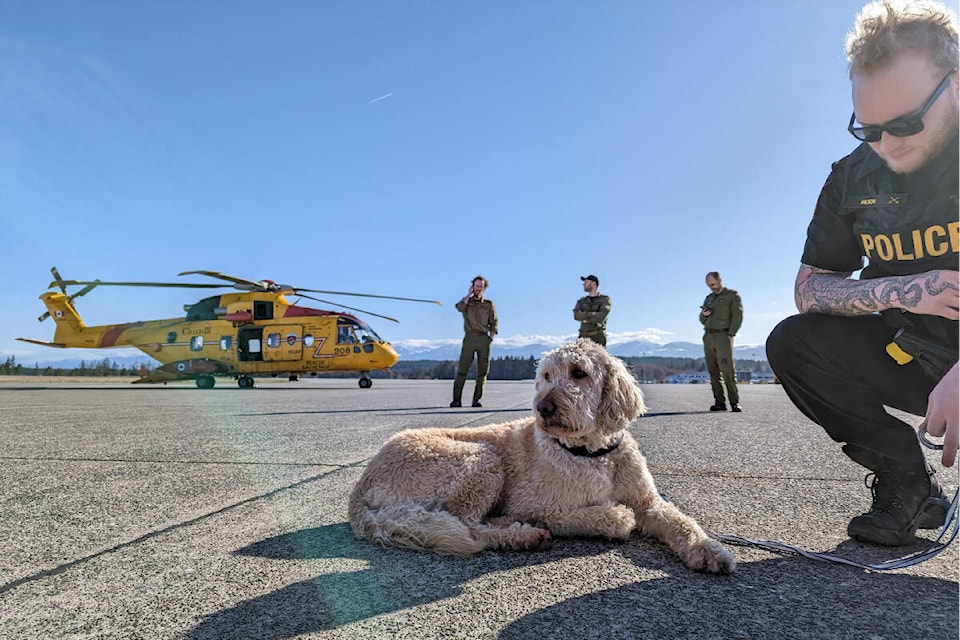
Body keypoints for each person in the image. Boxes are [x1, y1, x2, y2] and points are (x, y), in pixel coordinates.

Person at [766, 0, 958, 547]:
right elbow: (808, 289)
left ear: (957, 85)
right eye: (867, 128)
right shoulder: (853, 178)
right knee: (793, 343)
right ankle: (906, 481)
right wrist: (902, 291)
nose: (886, 144)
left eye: (904, 123)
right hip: (914, 351)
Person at [451, 275, 498, 408]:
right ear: (472, 287)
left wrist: (491, 337)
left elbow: (494, 321)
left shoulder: (488, 304)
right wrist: (468, 294)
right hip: (470, 338)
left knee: (482, 371)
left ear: (484, 288)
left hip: (484, 338)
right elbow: (458, 307)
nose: (478, 289)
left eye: (480, 287)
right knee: (462, 369)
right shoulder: (467, 303)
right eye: (476, 286)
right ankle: (456, 400)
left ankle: (476, 400)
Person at [699, 272, 743, 412]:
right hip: (708, 336)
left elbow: (737, 315)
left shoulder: (732, 296)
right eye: (709, 285)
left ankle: (734, 402)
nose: (711, 287)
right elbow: (702, 320)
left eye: (713, 284)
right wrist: (703, 315)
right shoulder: (709, 299)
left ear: (719, 280)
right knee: (713, 371)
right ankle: (719, 402)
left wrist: (731, 334)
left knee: (727, 370)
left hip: (723, 336)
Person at [573, 275, 612, 346]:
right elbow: (576, 315)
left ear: (593, 284)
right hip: (583, 337)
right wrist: (593, 314)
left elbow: (601, 317)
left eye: (586, 282)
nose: (583, 284)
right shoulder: (582, 301)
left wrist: (585, 318)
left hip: (598, 337)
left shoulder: (604, 299)